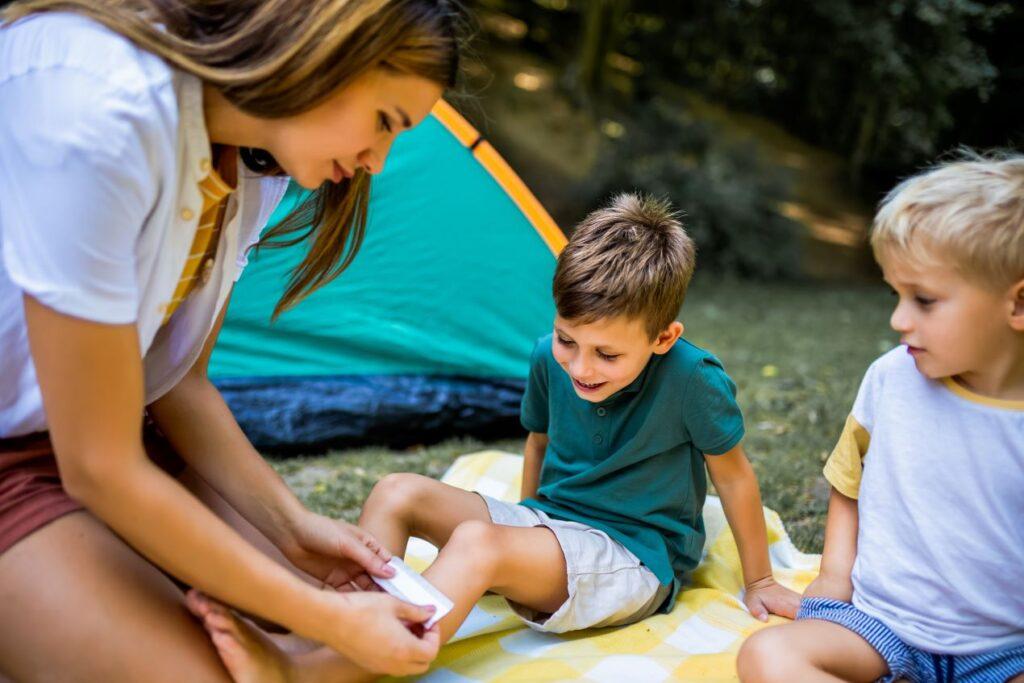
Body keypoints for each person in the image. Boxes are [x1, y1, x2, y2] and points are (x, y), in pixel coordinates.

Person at [0, 1, 464, 679]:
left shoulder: (254, 157)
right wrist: (322, 624)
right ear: (325, 49)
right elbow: (97, 465)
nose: (376, 161)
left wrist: (290, 527)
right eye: (385, 123)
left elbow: (176, 378)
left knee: (319, 598)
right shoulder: (102, 108)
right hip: (52, 455)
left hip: (102, 438)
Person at [185, 193, 801, 682]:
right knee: (398, 489)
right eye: (568, 341)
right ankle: (329, 624)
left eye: (607, 354)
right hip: (555, 529)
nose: (581, 368)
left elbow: (735, 476)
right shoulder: (547, 359)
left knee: (480, 545)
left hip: (633, 557)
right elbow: (538, 443)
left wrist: (761, 581)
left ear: (663, 338)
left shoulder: (694, 378)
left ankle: (323, 670)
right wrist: (528, 523)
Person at [736, 154, 1024, 683]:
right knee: (767, 657)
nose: (898, 319)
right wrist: (834, 574)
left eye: (924, 300)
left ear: (1019, 305)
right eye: (896, 294)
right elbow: (850, 481)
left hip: (1004, 649)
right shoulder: (891, 379)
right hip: (879, 623)